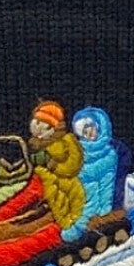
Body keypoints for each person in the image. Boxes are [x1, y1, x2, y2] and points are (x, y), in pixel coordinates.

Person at [28, 100, 86, 236]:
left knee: (74, 204)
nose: (39, 130)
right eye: (37, 123)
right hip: (44, 183)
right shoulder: (34, 145)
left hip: (68, 182)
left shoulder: (67, 140)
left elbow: (74, 164)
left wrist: (55, 167)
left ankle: (70, 229)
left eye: (45, 125)